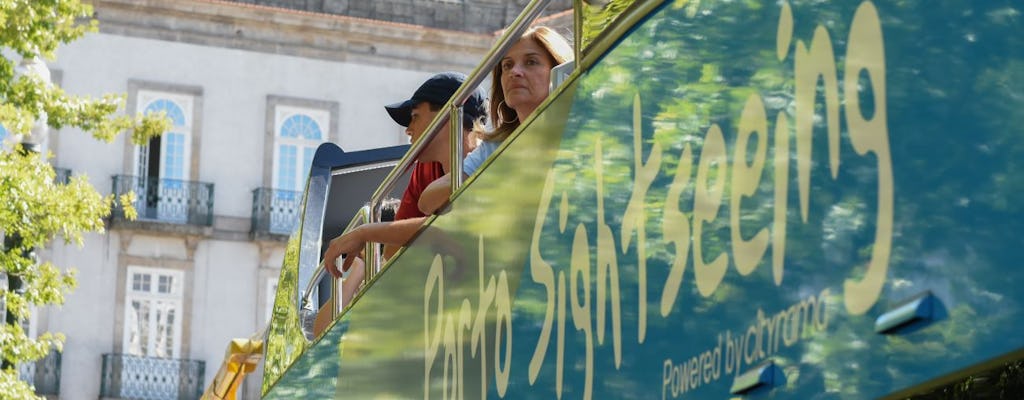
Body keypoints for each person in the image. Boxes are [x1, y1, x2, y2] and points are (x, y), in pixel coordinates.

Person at [324, 72, 487, 278]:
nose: (408, 130)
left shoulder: (490, 162)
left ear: (446, 117)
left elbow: (454, 229)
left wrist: (365, 232)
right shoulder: (425, 169)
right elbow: (392, 254)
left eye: (415, 116)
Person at [417, 26, 573, 215]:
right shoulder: (497, 146)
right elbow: (427, 201)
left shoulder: (578, 129)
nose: (515, 72)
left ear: (560, 70)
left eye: (531, 62)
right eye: (507, 65)